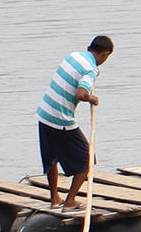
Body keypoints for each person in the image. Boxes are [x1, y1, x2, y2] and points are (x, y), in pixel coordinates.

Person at [37, 35, 113, 209]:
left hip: (45, 112)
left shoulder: (73, 56)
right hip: (60, 119)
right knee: (87, 160)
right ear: (105, 54)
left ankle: (55, 198)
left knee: (51, 158)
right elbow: (80, 94)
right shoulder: (90, 69)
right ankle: (70, 200)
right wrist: (91, 98)